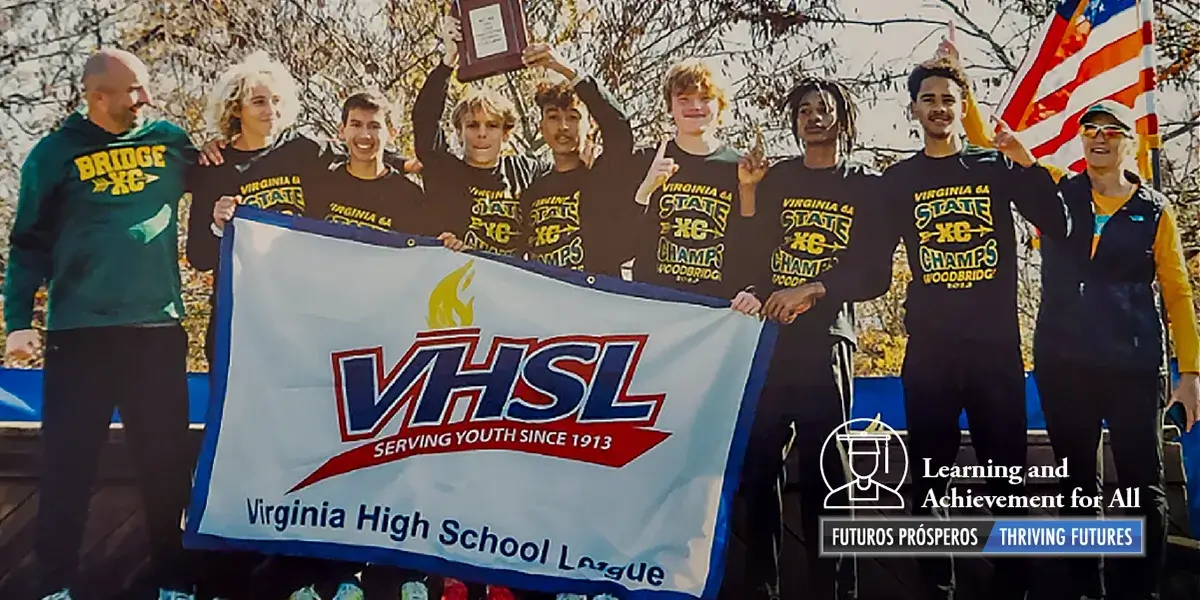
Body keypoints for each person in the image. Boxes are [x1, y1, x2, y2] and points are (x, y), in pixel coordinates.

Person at [762, 56, 1069, 600]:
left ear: (963, 107)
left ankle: (1012, 587)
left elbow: (1059, 225)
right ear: (914, 110)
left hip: (996, 349)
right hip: (929, 352)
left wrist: (1027, 165)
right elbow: (874, 272)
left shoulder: (994, 168)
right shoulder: (897, 182)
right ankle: (938, 587)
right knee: (928, 482)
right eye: (928, 100)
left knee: (1006, 480)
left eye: (949, 100)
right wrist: (817, 288)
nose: (939, 108)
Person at [4, 48, 198, 600]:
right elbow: (28, 242)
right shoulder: (53, 154)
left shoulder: (169, 142)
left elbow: (229, 173)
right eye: (134, 90)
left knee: (165, 466)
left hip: (157, 333)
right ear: (98, 97)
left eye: (145, 87)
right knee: (68, 466)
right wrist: (18, 321)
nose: (146, 99)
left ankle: (174, 584)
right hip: (79, 336)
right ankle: (55, 586)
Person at [1028, 100, 1200, 600]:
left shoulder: (1154, 208)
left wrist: (1190, 372)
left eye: (1111, 130)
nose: (1099, 138)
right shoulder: (1061, 190)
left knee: (1144, 485)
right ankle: (1087, 589)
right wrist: (961, 88)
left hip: (1134, 365)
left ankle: (1142, 591)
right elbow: (1004, 147)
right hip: (1065, 364)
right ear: (1081, 140)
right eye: (1090, 130)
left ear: (1130, 142)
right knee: (1077, 483)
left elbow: (1177, 291)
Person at [736, 76, 874, 600]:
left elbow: (872, 271)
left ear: (843, 116)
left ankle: (836, 589)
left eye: (825, 108)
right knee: (760, 463)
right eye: (804, 110)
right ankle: (762, 587)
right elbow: (750, 254)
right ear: (793, 121)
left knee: (828, 472)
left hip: (828, 342)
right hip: (770, 341)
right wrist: (748, 193)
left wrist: (813, 289)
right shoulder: (776, 179)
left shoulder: (864, 183)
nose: (814, 117)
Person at [628, 57, 761, 316]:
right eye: (684, 99)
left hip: (717, 314)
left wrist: (754, 290)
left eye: (705, 98)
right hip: (654, 308)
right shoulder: (646, 159)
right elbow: (623, 244)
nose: (695, 107)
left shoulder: (740, 167)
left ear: (720, 105)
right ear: (670, 106)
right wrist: (646, 190)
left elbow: (753, 242)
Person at [413, 15, 551, 258]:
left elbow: (569, 171)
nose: (482, 134)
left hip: (508, 288)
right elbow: (424, 118)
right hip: (454, 286)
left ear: (507, 133)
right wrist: (449, 60)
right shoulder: (443, 170)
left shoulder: (526, 171)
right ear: (459, 132)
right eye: (473, 126)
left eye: (492, 125)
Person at [517, 43, 635, 278]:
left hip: (596, 303)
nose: (563, 127)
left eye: (573, 117)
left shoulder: (603, 175)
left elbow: (619, 127)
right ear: (541, 126)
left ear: (590, 125)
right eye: (553, 117)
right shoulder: (533, 190)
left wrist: (566, 70)